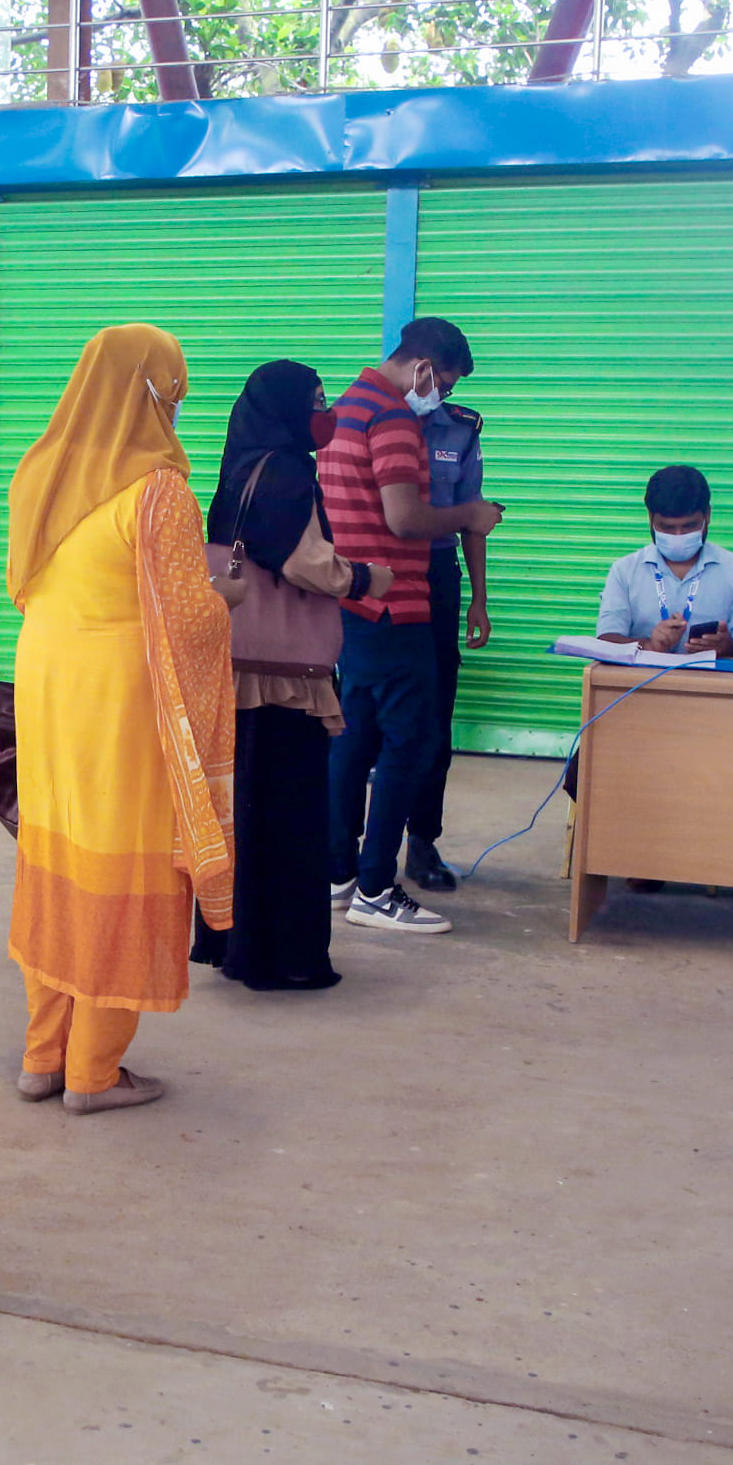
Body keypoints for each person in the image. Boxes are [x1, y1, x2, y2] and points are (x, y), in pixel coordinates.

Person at [9, 323, 236, 1114]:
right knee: (123, 863)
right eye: (173, 392)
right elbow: (188, 619)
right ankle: (93, 1071)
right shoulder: (157, 490)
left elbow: (25, 583)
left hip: (46, 680)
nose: (176, 407)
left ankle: (42, 1056)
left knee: (58, 853)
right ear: (152, 391)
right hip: (118, 696)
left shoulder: (40, 469)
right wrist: (226, 599)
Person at [189, 361, 392, 991]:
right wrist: (366, 578)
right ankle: (286, 957)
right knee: (290, 811)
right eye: (316, 400)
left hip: (237, 664)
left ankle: (235, 944)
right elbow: (306, 565)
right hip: (286, 678)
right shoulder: (287, 472)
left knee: (244, 807)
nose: (324, 413)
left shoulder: (239, 468)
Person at [319, 318, 502, 934]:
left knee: (353, 738)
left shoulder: (346, 407)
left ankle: (339, 872)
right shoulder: (394, 417)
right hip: (395, 604)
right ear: (423, 368)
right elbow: (404, 518)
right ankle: (376, 888)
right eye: (443, 384)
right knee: (410, 744)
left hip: (354, 600)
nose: (441, 397)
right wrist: (469, 514)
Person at [402, 394, 496, 894]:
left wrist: (479, 599)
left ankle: (422, 842)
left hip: (438, 573)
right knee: (363, 715)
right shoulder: (369, 417)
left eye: (451, 380)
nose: (442, 386)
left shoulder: (460, 428)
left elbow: (473, 520)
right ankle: (345, 849)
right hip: (376, 568)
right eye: (441, 374)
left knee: (436, 715)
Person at [595, 464, 733, 660]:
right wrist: (649, 645)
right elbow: (606, 639)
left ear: (708, 516)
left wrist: (728, 646)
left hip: (711, 678)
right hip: (640, 678)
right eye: (667, 527)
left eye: (689, 526)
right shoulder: (624, 570)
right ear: (650, 518)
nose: (678, 536)